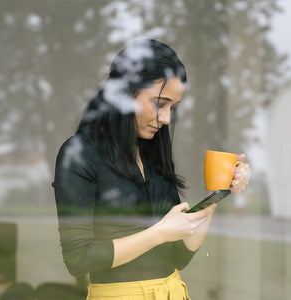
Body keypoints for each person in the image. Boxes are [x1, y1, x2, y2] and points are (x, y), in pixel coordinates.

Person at [52, 39, 250, 300]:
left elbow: (179, 256)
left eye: (172, 108)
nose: (166, 118)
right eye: (160, 103)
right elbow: (78, 259)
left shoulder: (152, 151)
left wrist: (220, 192)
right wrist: (159, 233)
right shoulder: (80, 153)